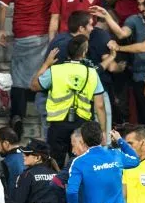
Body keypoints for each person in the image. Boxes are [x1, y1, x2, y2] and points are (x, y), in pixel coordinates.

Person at [1, 0, 63, 134]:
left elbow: (3, 4)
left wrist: (1, 30)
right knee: (44, 75)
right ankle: (46, 118)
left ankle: (17, 117)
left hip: (21, 36)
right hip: (44, 36)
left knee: (19, 79)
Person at [31, 34, 104, 166]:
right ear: (84, 52)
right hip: (82, 125)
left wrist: (46, 64)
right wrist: (102, 132)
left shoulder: (55, 70)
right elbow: (99, 105)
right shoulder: (92, 72)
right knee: (81, 164)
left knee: (54, 164)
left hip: (58, 124)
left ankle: (56, 186)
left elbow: (34, 85)